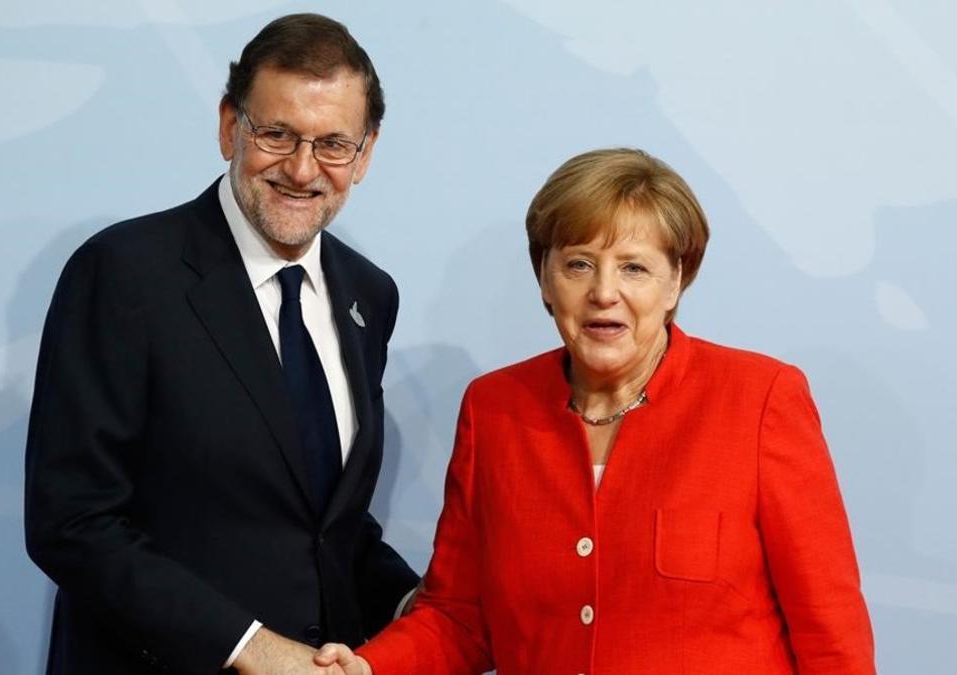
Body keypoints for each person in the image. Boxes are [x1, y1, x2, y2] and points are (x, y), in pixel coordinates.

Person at [315, 148, 876, 674]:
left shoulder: (760, 398)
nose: (604, 292)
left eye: (634, 268)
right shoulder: (494, 409)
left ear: (676, 280)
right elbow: (461, 613)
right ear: (545, 280)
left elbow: (830, 632)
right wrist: (369, 666)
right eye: (579, 264)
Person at [24, 14, 419, 675]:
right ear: (229, 126)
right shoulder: (124, 273)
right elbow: (73, 520)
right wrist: (249, 647)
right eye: (276, 134)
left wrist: (418, 603)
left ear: (366, 152)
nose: (301, 168)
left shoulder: (368, 296)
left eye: (332, 144)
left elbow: (323, 528)